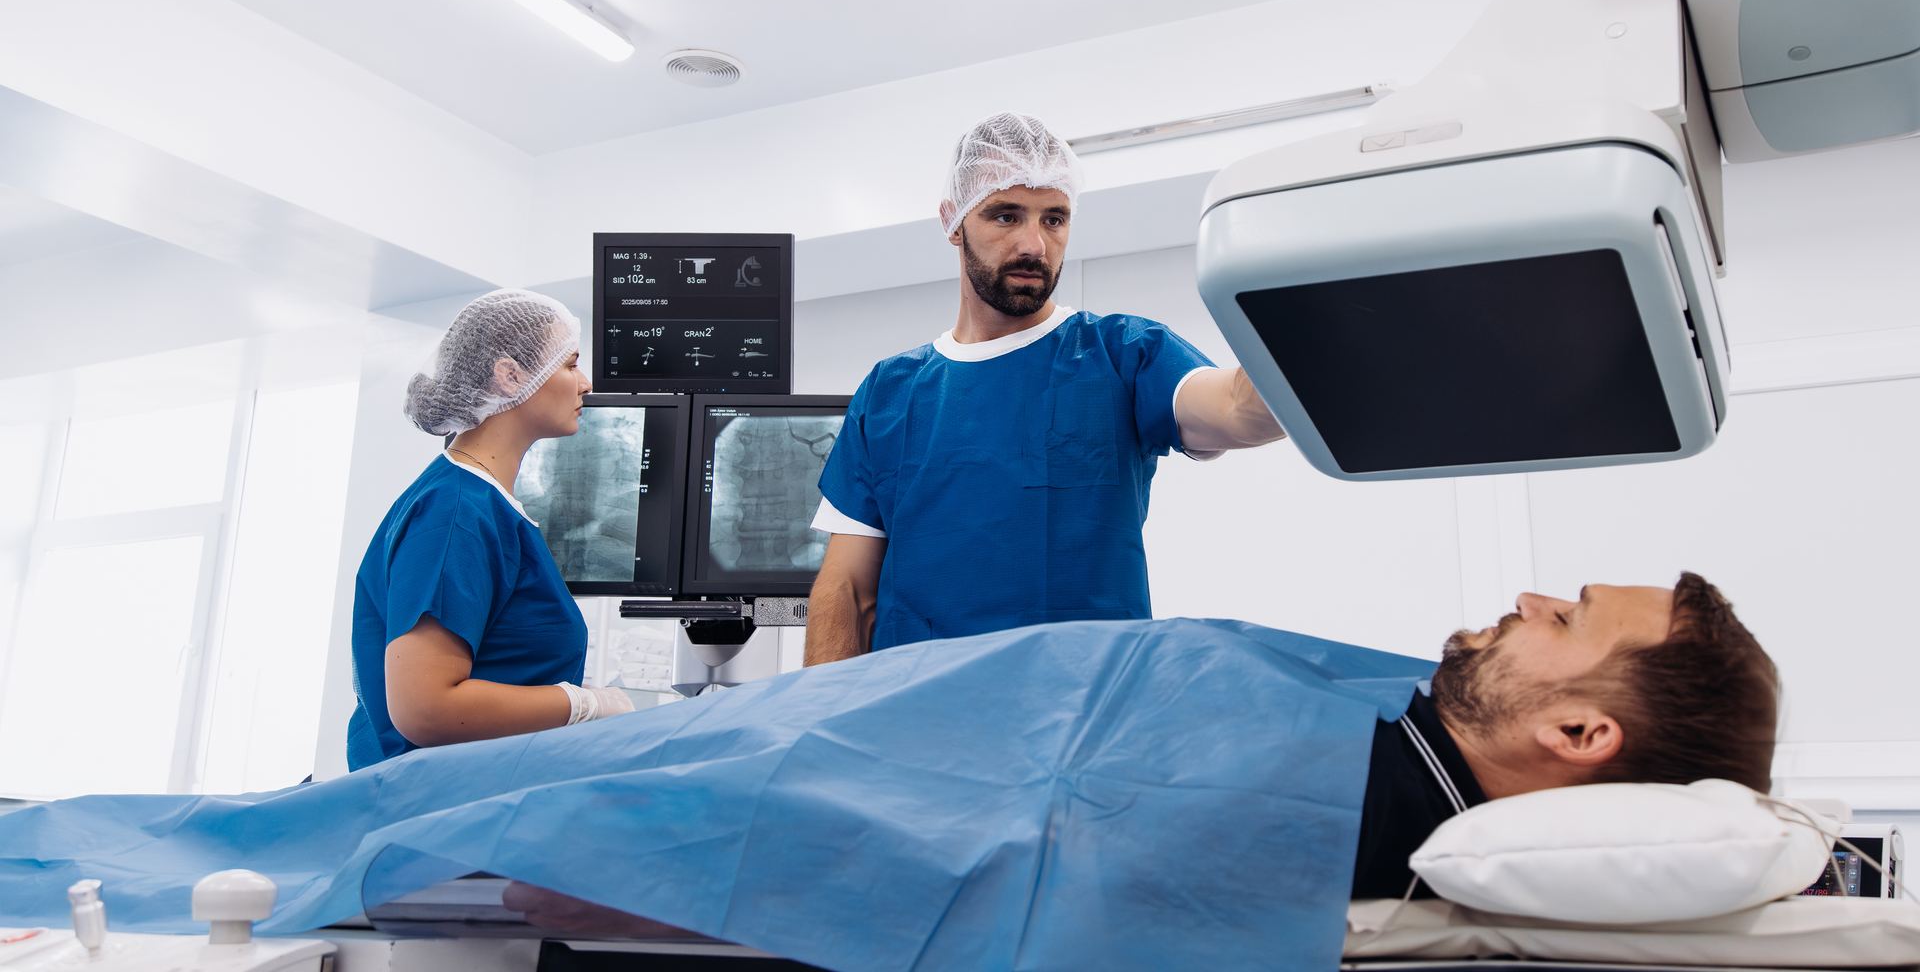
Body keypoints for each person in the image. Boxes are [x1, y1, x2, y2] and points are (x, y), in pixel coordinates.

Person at [0, 571, 1772, 972]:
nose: (1532, 596)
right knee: (360, 806)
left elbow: (1049, 848)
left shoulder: (1361, 808)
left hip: (832, 776)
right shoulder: (1385, 713)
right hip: (859, 722)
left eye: (1573, 615)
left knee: (393, 820)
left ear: (1583, 742)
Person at [805, 112, 1288, 664]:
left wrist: (1305, 286)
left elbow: (1239, 409)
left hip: (1084, 718)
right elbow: (847, 590)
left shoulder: (1123, 353)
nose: (1034, 244)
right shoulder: (889, 392)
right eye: (1006, 215)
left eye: (1054, 219)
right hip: (920, 719)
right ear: (953, 221)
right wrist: (816, 726)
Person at [345, 289, 633, 770]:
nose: (585, 384)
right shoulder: (456, 511)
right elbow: (424, 709)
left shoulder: (482, 504)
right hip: (432, 811)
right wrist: (584, 705)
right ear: (510, 375)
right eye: (570, 365)